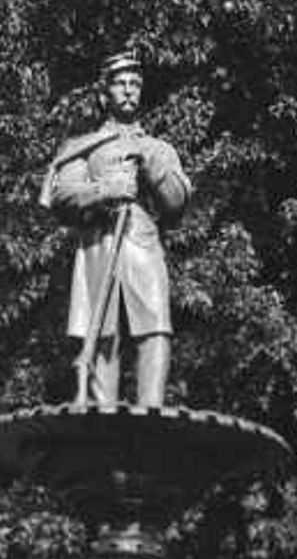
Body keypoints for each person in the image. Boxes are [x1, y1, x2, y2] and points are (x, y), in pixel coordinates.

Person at [40, 50, 191, 411]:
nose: (128, 90)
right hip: (100, 241)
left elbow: (177, 203)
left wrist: (152, 165)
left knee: (155, 324)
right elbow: (62, 196)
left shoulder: (158, 147)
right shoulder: (83, 147)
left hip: (141, 239)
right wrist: (105, 191)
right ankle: (102, 409)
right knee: (102, 329)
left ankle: (152, 408)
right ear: (104, 93)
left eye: (135, 84)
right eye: (120, 84)